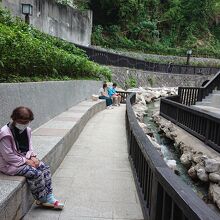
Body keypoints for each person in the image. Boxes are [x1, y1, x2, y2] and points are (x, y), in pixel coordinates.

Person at [0, 106, 64, 209]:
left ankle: (49, 196)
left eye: (27, 122)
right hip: (9, 164)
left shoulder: (27, 130)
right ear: (14, 119)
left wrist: (33, 157)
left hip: (24, 158)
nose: (24, 125)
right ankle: (42, 199)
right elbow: (8, 156)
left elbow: (29, 147)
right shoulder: (5, 133)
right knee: (36, 173)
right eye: (22, 122)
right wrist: (27, 161)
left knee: (44, 167)